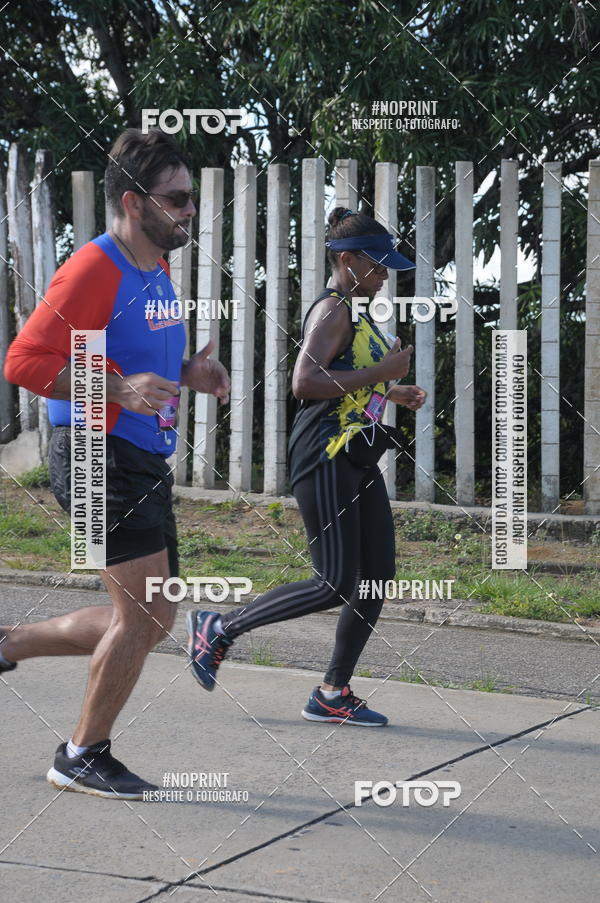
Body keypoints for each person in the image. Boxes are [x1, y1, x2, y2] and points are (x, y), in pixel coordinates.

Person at [1, 128, 230, 798]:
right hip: (97, 452)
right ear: (135, 202)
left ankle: (8, 644)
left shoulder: (154, 269)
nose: (189, 210)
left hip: (139, 454)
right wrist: (119, 390)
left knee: (154, 615)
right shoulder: (95, 266)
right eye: (177, 199)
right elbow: (23, 362)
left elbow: (137, 361)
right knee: (143, 611)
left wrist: (191, 371)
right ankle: (81, 752)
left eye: (190, 199)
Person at [187, 207, 426, 726]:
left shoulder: (356, 312)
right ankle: (218, 627)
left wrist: (392, 389)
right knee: (335, 581)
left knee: (377, 577)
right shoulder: (332, 310)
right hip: (324, 455)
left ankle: (332, 692)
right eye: (378, 263)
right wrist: (381, 370)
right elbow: (305, 383)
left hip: (357, 457)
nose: (385, 274)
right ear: (347, 260)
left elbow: (346, 378)